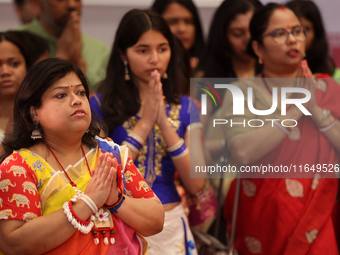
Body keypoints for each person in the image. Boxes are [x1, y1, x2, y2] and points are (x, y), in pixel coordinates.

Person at [0, 58, 164, 255]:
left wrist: (116, 200)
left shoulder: (111, 154)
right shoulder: (19, 167)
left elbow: (156, 221)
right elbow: (13, 244)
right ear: (34, 112)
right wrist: (87, 203)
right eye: (61, 95)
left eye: (80, 92)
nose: (76, 100)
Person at [221, 3, 340, 254]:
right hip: (263, 221)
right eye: (279, 33)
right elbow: (242, 152)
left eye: (297, 31)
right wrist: (295, 111)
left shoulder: (328, 89)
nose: (292, 39)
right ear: (257, 48)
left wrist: (316, 112)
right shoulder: (243, 93)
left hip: (316, 220)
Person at [90, 9, 206, 255]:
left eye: (162, 49)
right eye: (143, 50)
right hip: (121, 225)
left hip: (173, 223)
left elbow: (196, 184)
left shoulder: (187, 107)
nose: (155, 59)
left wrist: (163, 122)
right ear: (123, 54)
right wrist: (144, 125)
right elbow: (99, 177)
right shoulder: (98, 105)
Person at [15, 0, 110, 92]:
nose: (72, 5)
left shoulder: (100, 50)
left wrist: (80, 64)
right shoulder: (14, 42)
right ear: (39, 2)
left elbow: (103, 100)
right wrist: (61, 56)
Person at [285, 0, 339, 78]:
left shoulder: (335, 78)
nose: (293, 39)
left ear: (316, 33)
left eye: (304, 31)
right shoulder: (266, 78)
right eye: (289, 31)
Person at [151, 0, 204, 70]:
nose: (182, 29)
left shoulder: (210, 67)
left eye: (188, 22)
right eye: (172, 22)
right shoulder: (150, 66)